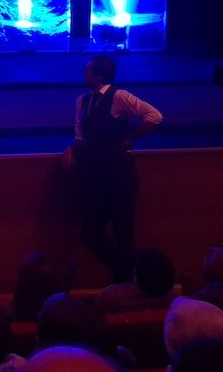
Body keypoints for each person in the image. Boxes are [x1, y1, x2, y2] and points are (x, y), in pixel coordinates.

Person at [65, 55, 162, 283]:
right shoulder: (82, 101)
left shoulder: (119, 96)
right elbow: (80, 137)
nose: (84, 73)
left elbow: (155, 116)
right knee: (90, 234)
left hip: (119, 175)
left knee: (122, 232)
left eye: (88, 70)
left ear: (99, 76)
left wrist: (131, 136)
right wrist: (70, 148)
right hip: (95, 175)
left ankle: (126, 283)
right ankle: (126, 277)